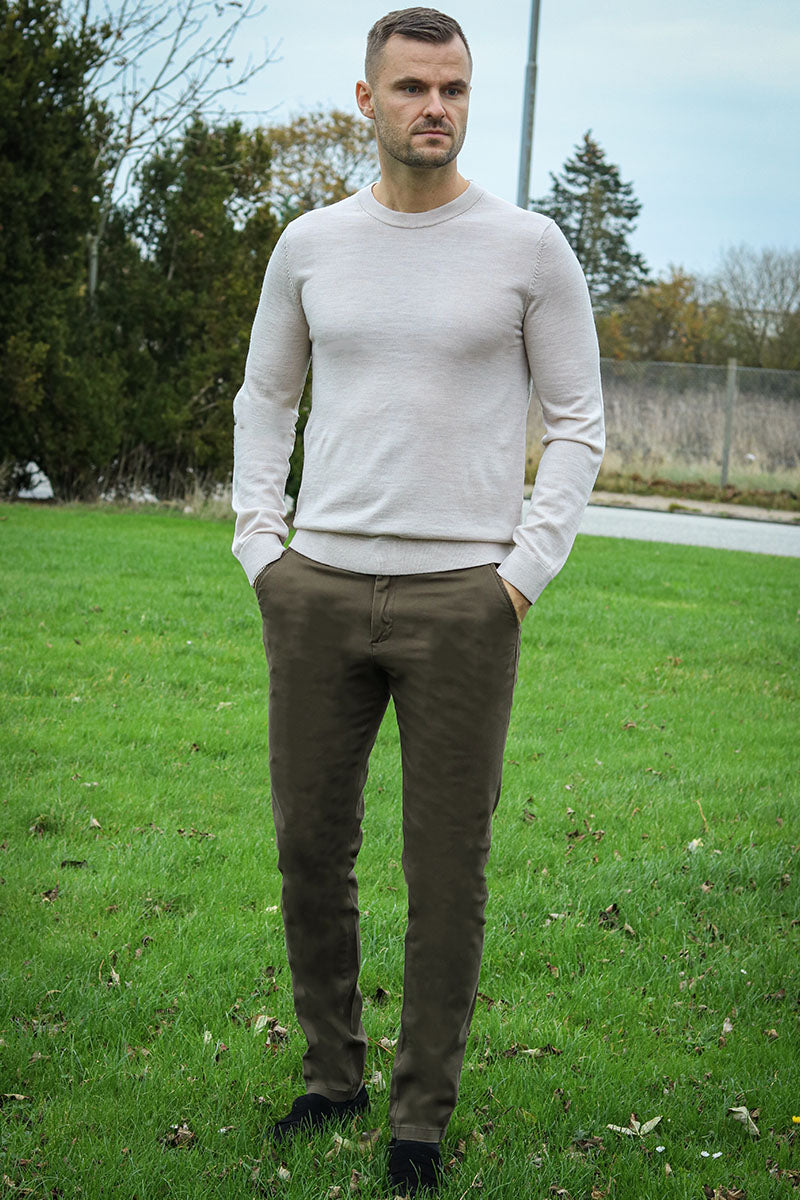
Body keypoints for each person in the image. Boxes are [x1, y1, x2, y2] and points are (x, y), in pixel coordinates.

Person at [231, 7, 604, 1194]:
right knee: (309, 847)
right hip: (317, 591)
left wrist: (519, 576)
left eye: (451, 88)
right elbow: (264, 400)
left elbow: (579, 421)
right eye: (410, 87)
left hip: (462, 601)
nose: (432, 107)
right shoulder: (309, 245)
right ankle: (329, 1078)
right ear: (366, 100)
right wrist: (261, 548)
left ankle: (418, 1119)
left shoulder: (528, 249)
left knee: (446, 872)